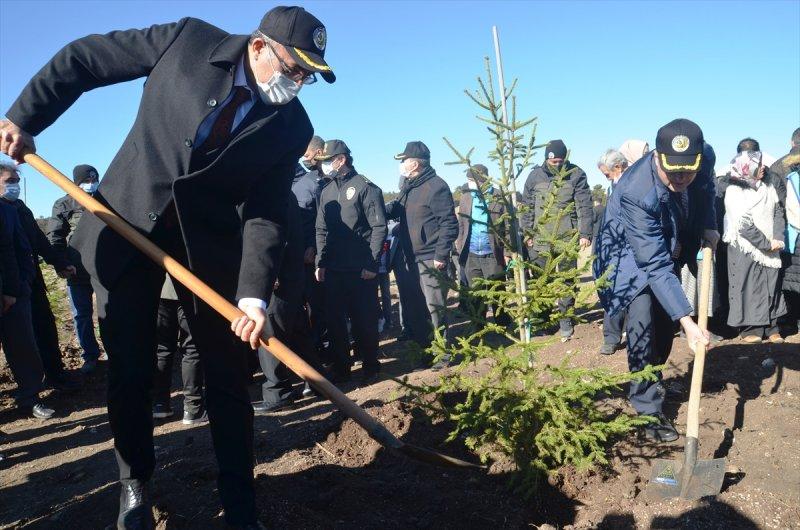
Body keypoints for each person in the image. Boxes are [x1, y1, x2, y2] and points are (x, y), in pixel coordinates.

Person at [0, 6, 335, 528]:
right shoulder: (188, 41)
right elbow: (85, 59)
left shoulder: (292, 126)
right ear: (258, 46)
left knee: (227, 376)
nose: (297, 84)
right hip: (125, 224)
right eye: (293, 69)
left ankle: (240, 504)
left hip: (208, 252)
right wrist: (25, 118)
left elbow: (268, 213)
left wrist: (252, 294)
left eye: (307, 76)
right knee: (131, 372)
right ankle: (134, 488)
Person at [594, 119, 715, 443]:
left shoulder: (703, 161)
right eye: (673, 172)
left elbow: (707, 191)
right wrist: (690, 323)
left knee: (664, 327)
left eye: (687, 172)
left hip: (667, 245)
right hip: (628, 258)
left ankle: (653, 377)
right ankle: (648, 410)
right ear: (657, 158)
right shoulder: (636, 191)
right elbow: (653, 264)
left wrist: (709, 224)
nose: (681, 178)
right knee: (643, 327)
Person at [0, 165, 79, 391]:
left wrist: (60, 262)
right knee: (19, 339)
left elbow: (38, 240)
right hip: (7, 284)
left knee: (44, 328)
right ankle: (27, 390)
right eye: (9, 181)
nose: (14, 185)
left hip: (30, 279)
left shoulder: (21, 208)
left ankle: (55, 375)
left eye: (16, 180)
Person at [315, 140, 387, 383]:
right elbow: (321, 230)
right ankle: (342, 368)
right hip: (334, 270)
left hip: (360, 270)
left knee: (363, 321)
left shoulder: (365, 187)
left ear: (341, 159)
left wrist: (372, 264)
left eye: (328, 160)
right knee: (335, 323)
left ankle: (370, 367)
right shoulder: (326, 191)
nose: (324, 166)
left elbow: (378, 227)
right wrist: (320, 262)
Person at [386, 141, 458, 358]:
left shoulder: (436, 186)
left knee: (435, 307)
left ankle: (443, 352)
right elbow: (395, 209)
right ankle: (425, 349)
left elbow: (449, 223)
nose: (402, 165)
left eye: (404, 161)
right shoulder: (409, 188)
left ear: (415, 164)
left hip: (430, 258)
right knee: (418, 308)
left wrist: (441, 254)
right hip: (411, 258)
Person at [521, 139, 593, 339]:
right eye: (553, 163)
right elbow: (526, 207)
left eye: (560, 162)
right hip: (539, 239)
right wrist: (527, 233)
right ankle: (542, 319)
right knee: (541, 280)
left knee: (567, 280)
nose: (557, 166)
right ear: (546, 159)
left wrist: (585, 233)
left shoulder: (576, 174)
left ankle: (565, 319)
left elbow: (584, 206)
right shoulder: (534, 176)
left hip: (567, 239)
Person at [0, 184, 55, 420]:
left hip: (13, 293)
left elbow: (20, 249)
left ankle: (30, 398)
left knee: (23, 347)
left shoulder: (8, 211)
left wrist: (19, 287)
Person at [723, 151, 787, 343]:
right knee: (750, 287)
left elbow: (777, 211)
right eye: (757, 165)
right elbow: (743, 225)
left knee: (772, 285)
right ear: (745, 167)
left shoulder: (768, 187)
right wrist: (765, 244)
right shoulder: (734, 191)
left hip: (771, 246)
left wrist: (776, 238)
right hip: (746, 248)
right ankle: (752, 328)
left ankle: (772, 327)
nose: (762, 168)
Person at [47, 164, 103, 373]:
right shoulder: (64, 204)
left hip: (104, 269)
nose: (91, 184)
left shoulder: (107, 200)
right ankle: (90, 355)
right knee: (82, 314)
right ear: (76, 183)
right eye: (86, 181)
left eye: (93, 180)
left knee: (110, 312)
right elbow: (56, 237)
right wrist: (61, 264)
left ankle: (116, 352)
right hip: (76, 270)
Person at [454, 164, 511, 326]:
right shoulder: (466, 197)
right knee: (476, 293)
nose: (469, 184)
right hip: (471, 253)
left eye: (472, 180)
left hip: (493, 253)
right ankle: (479, 325)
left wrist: (507, 252)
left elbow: (508, 226)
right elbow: (462, 224)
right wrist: (459, 244)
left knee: (497, 292)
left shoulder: (499, 197)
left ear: (482, 180)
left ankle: (502, 322)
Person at [152, 275, 206, 424]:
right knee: (192, 347)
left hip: (161, 288)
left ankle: (160, 404)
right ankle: (193, 408)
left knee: (163, 348)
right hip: (189, 286)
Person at [294, 135, 328, 357]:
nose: (305, 158)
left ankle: (322, 346)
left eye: (307, 154)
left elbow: (318, 221)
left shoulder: (314, 183)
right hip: (301, 255)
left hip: (315, 255)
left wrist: (313, 247)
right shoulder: (301, 183)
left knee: (320, 306)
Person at [595, 149, 629, 355]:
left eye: (606, 174)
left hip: (629, 248)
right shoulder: (613, 187)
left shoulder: (633, 184)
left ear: (618, 167)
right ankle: (611, 336)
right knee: (612, 288)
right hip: (612, 247)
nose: (606, 177)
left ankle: (633, 335)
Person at [771, 128, 800, 335]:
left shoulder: (779, 166)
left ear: (792, 142)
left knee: (787, 278)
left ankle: (788, 321)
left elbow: (775, 203)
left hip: (788, 231)